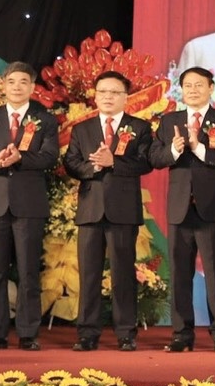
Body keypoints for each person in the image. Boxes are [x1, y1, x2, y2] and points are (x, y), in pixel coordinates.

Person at [149, 66, 215, 353]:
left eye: (199, 85)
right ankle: (181, 333)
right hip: (180, 209)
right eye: (188, 85)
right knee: (180, 274)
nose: (193, 90)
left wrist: (199, 148)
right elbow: (155, 157)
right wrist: (175, 150)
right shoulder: (169, 121)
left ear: (211, 88)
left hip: (213, 209)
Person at [0, 62, 60, 352]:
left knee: (28, 270)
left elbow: (50, 157)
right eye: (12, 81)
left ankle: (28, 333)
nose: (17, 87)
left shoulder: (45, 120)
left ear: (32, 87)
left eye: (23, 82)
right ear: (3, 85)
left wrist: (21, 158)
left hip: (29, 203)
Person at [63, 70, 152, 352]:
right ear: (95, 95)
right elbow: (71, 163)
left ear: (126, 97)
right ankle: (87, 333)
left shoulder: (139, 127)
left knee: (123, 273)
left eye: (114, 92)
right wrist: (94, 166)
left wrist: (114, 162)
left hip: (123, 210)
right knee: (89, 274)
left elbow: (146, 162)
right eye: (102, 92)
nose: (108, 97)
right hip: (90, 209)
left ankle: (126, 333)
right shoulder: (82, 129)